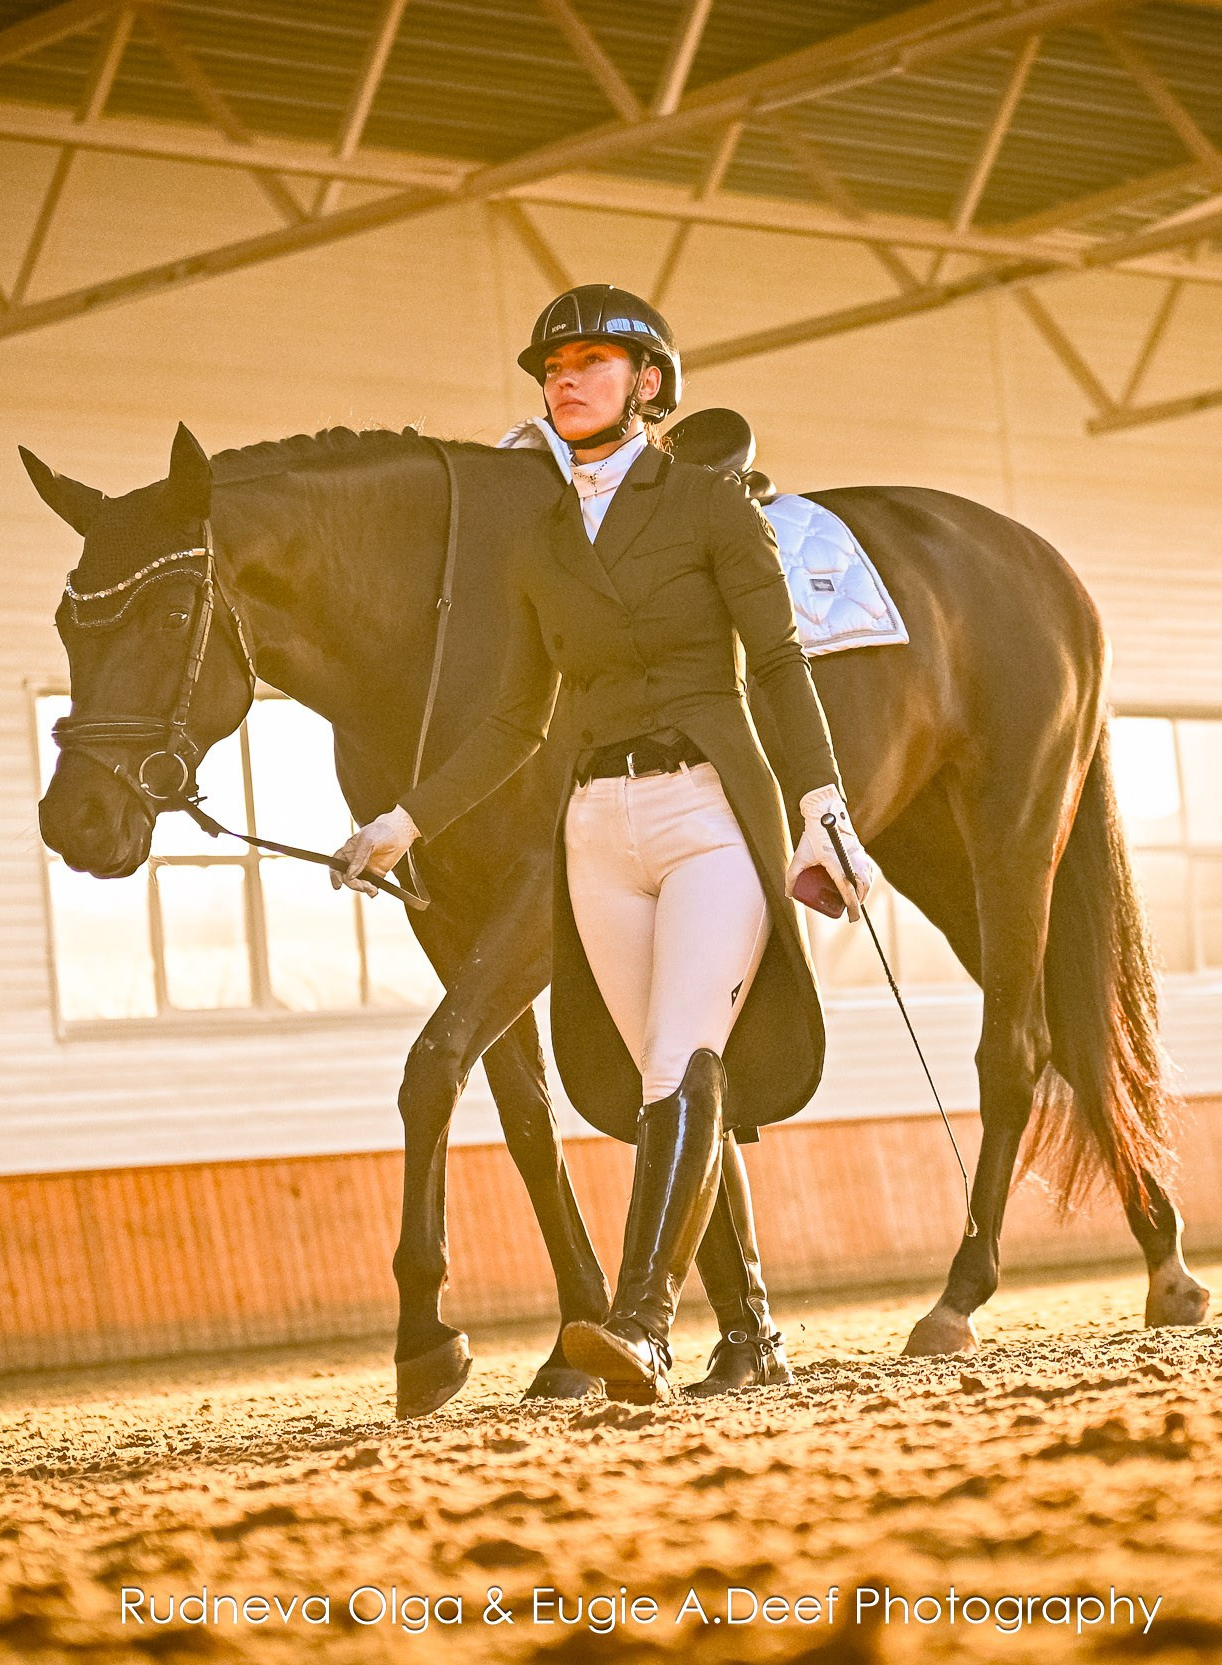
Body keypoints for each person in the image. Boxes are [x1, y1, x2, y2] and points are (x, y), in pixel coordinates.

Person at [332, 283, 882, 1403]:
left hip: (709, 811)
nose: (564, 379)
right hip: (597, 825)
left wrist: (823, 803)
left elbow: (776, 666)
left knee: (682, 1056)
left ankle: (641, 1325)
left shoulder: (708, 508)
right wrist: (404, 821)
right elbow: (514, 721)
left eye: (590, 361)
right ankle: (753, 1335)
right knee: (657, 1084)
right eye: (552, 367)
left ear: (648, 383)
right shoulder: (535, 544)